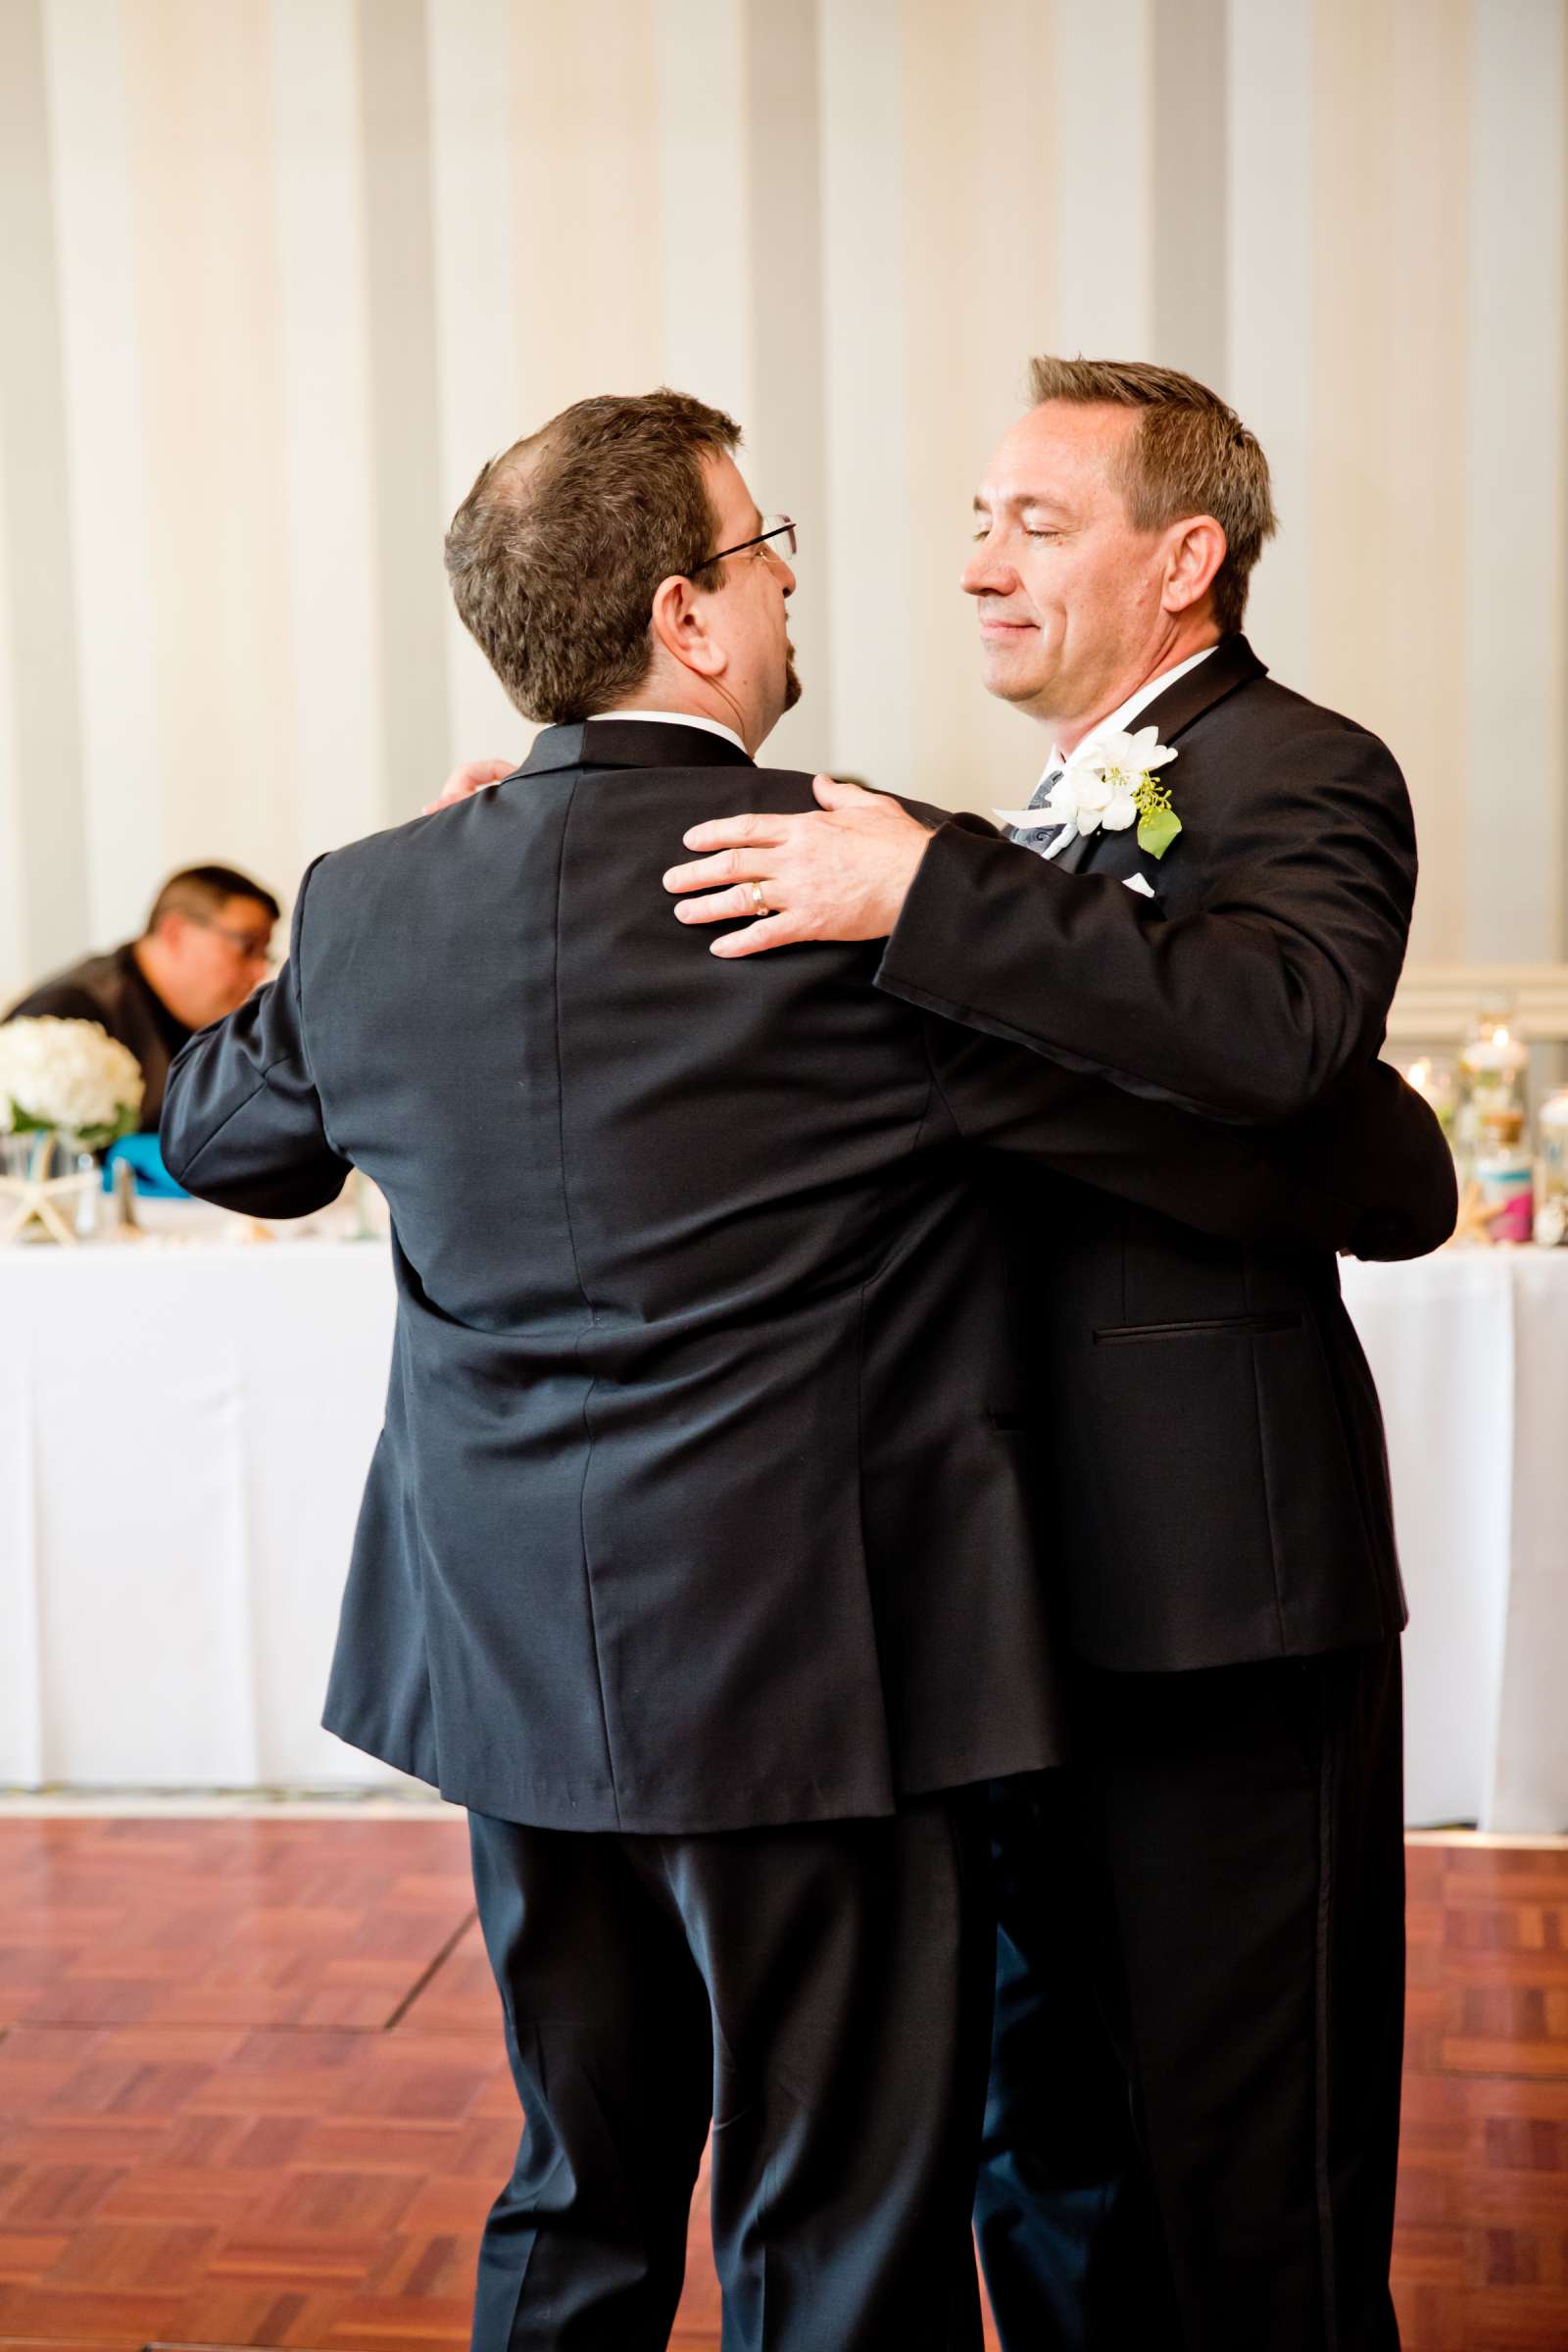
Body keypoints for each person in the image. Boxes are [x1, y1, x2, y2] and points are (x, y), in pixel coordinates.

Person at [163, 390, 1451, 2352]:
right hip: (809, 1673)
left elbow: (223, 1142)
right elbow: (1341, 1158)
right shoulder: (836, 894)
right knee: (830, 2212)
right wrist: (945, 900)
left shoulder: (371, 900)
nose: (798, 586)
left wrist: (393, 910)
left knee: (574, 2186)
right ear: (690, 619)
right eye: (768, 552)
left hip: (514, 1670)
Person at [659, 357, 1438, 2350]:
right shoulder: (1025, 827)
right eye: (974, 520)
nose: (974, 561)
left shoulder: (1297, 767)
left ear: (1184, 561)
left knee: (1252, 2149)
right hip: (1013, 1603)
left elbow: (1273, 1043)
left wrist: (930, 889)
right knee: (1054, 2133)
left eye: (1034, 520)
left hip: (1215, 1591)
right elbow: (1322, 1141)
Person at [5, 866, 278, 1131]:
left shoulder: (222, 1021)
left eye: (265, 954)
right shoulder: (69, 1014)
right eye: (247, 947)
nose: (260, 970)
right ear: (176, 933)